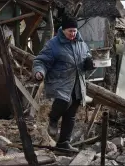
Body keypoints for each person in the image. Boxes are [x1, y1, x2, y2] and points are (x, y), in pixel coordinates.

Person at [32, 14, 95, 151]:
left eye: (74, 31)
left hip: (77, 83)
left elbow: (87, 58)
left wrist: (89, 64)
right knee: (65, 101)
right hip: (60, 81)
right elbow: (40, 61)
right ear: (63, 30)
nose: (72, 34)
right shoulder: (53, 44)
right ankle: (53, 119)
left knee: (71, 114)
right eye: (69, 31)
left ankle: (63, 143)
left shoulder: (82, 44)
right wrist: (39, 72)